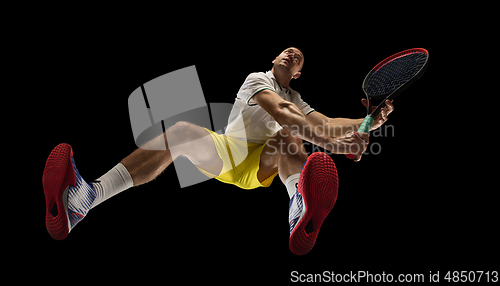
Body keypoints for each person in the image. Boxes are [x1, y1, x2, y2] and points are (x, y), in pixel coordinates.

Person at [42, 47, 394, 255]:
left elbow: (328, 123)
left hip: (263, 161)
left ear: (299, 74)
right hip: (228, 152)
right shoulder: (258, 80)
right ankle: (85, 198)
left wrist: (366, 126)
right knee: (181, 132)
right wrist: (337, 142)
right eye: (288, 51)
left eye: (298, 57)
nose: (291, 54)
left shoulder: (297, 99)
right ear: (274, 60)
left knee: (289, 138)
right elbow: (290, 117)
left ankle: (299, 208)